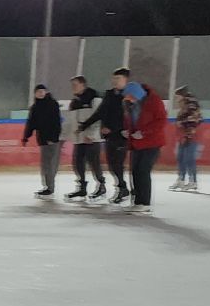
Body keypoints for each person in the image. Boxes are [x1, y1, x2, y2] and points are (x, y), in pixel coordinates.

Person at [123, 79, 167, 214]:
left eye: (130, 96)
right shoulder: (131, 104)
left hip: (152, 143)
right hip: (136, 143)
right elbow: (131, 120)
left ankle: (145, 202)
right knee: (135, 171)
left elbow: (161, 121)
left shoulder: (154, 101)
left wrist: (144, 133)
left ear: (137, 94)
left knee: (143, 170)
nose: (128, 99)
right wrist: (128, 131)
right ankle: (138, 201)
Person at [90, 70, 134, 203]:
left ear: (126, 80)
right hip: (109, 136)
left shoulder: (129, 96)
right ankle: (123, 188)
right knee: (112, 165)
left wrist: (114, 128)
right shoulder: (109, 95)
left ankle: (123, 189)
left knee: (118, 164)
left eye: (118, 78)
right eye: (114, 78)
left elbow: (126, 117)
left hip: (122, 135)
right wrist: (85, 125)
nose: (115, 81)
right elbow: (101, 112)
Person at [65, 76, 107, 201]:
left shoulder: (94, 98)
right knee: (77, 163)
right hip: (79, 138)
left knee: (94, 163)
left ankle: (101, 185)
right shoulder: (74, 102)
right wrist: (69, 135)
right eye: (72, 85)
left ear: (83, 85)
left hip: (92, 138)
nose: (73, 87)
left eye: (75, 85)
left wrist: (92, 134)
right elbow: (72, 121)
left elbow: (97, 117)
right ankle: (82, 187)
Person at [21, 83, 64, 197]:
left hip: (52, 139)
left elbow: (56, 122)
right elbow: (31, 123)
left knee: (50, 164)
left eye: (42, 91)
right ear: (35, 93)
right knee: (45, 164)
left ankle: (50, 187)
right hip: (43, 139)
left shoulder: (52, 104)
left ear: (46, 92)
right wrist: (26, 136)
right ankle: (47, 186)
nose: (41, 93)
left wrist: (53, 137)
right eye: (38, 91)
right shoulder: (35, 107)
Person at [171, 87, 203, 192]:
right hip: (183, 136)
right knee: (181, 158)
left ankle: (192, 181)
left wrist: (188, 135)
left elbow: (193, 122)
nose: (176, 99)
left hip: (190, 136)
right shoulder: (184, 107)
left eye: (177, 96)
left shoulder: (191, 107)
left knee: (189, 159)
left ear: (182, 96)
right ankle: (181, 179)